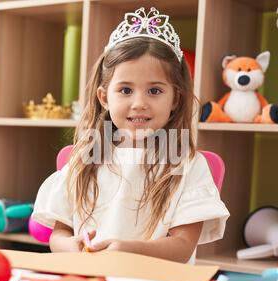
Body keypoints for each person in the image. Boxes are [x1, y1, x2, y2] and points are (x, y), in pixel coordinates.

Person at [31, 7, 230, 264]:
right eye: (125, 90)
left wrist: (127, 250)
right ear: (104, 97)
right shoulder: (85, 158)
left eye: (155, 91)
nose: (139, 103)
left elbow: (182, 247)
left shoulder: (187, 165)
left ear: (175, 99)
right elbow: (59, 235)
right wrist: (73, 246)